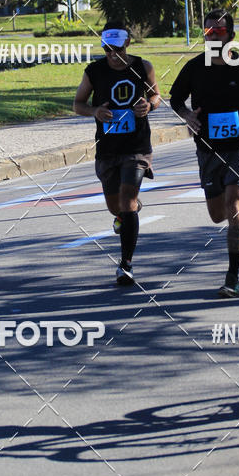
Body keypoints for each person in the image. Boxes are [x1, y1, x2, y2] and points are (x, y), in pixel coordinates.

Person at [170, 8, 239, 297]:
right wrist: (187, 116)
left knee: (234, 207)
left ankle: (232, 276)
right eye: (208, 31)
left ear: (230, 35)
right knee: (218, 215)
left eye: (219, 31)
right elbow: (175, 98)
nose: (214, 35)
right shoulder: (193, 67)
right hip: (207, 149)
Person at [73, 21, 160, 286]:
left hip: (137, 148)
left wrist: (149, 105)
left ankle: (126, 265)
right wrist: (95, 111)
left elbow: (157, 96)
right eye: (107, 49)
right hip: (107, 150)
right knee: (116, 207)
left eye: (117, 49)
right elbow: (78, 104)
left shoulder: (143, 67)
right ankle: (126, 215)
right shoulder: (94, 71)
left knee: (128, 199)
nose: (113, 55)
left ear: (127, 44)